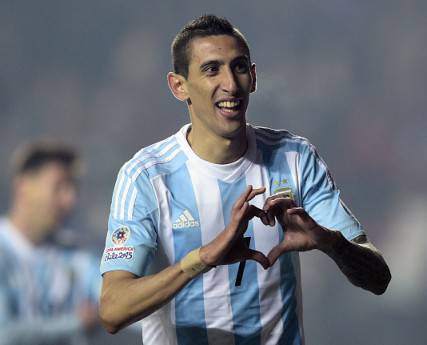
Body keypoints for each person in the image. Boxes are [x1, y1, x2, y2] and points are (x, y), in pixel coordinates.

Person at [99, 15, 391, 345]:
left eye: (238, 67)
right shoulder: (147, 176)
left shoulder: (294, 158)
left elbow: (378, 278)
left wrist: (332, 243)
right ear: (179, 86)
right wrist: (203, 258)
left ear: (253, 78)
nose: (230, 84)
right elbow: (112, 310)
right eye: (212, 69)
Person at [0, 142, 101, 345]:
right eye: (59, 187)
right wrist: (76, 322)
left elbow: (118, 300)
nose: (70, 199)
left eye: (74, 188)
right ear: (23, 187)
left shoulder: (79, 254)